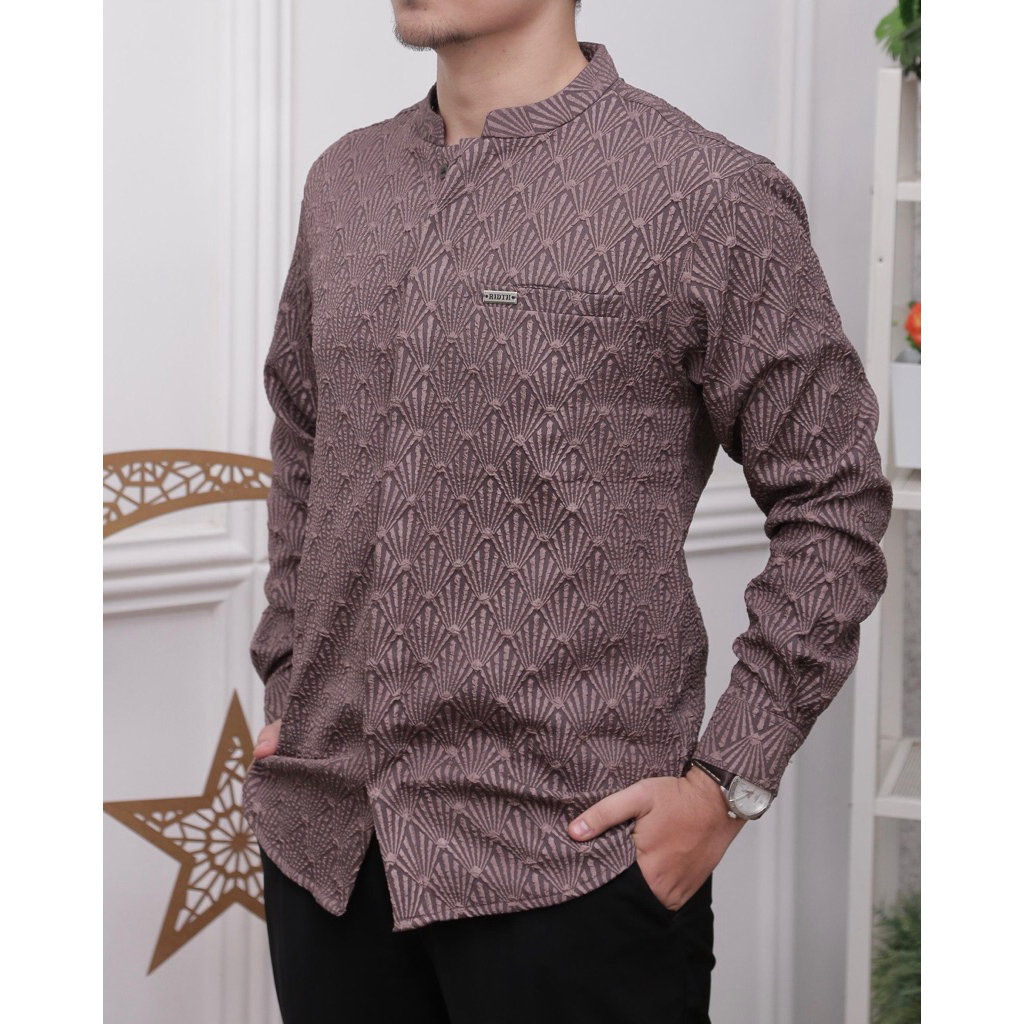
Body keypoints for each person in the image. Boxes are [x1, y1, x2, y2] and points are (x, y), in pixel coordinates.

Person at [241, 2, 894, 1022]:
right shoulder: (345, 181)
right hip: (329, 856)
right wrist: (290, 673)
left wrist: (728, 782)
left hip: (571, 866)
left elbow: (833, 494)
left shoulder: (702, 192)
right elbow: (305, 437)